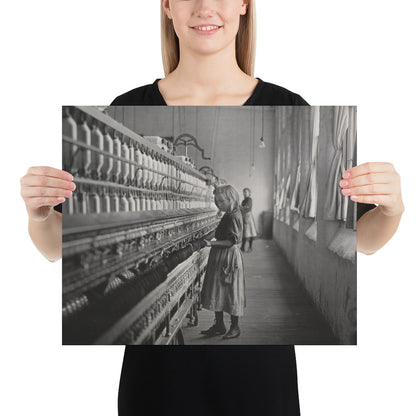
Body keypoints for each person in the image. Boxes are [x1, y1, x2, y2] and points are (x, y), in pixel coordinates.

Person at [20, 1, 404, 415]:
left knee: (224, 298)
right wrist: (38, 215)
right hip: (158, 386)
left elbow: (365, 243)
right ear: (167, 6)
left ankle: (225, 325)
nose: (206, 7)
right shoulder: (124, 103)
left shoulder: (288, 102)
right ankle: (222, 324)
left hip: (257, 385)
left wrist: (392, 211)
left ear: (244, 5)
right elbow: (56, 249)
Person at [200, 185, 245, 339]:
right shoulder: (228, 214)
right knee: (217, 289)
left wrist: (210, 243)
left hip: (228, 256)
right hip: (221, 256)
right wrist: (206, 236)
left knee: (231, 291)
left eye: (221, 201)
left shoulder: (233, 216)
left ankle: (235, 327)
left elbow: (231, 241)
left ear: (230, 199)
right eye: (216, 201)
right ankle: (219, 325)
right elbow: (220, 231)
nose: (218, 204)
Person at [240, 187, 257, 252]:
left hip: (248, 216)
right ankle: (243, 247)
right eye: (244, 192)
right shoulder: (243, 200)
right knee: (245, 233)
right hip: (244, 216)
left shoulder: (249, 199)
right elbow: (242, 208)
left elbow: (247, 207)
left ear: (249, 193)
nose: (244, 193)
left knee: (250, 232)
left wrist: (241, 207)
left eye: (246, 192)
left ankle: (250, 247)